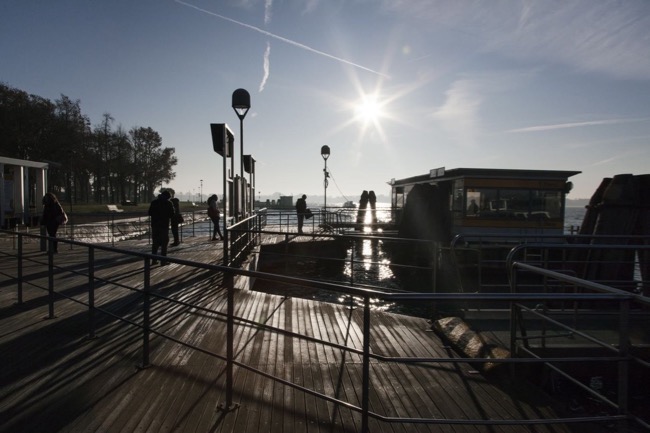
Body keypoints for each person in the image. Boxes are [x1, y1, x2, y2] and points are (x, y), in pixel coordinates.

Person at [148, 190, 175, 265]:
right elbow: (172, 214)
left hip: (155, 225)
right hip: (164, 225)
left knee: (155, 243)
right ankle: (163, 260)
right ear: (167, 197)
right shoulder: (168, 203)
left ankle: (154, 260)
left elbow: (150, 212)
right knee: (164, 243)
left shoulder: (154, 202)